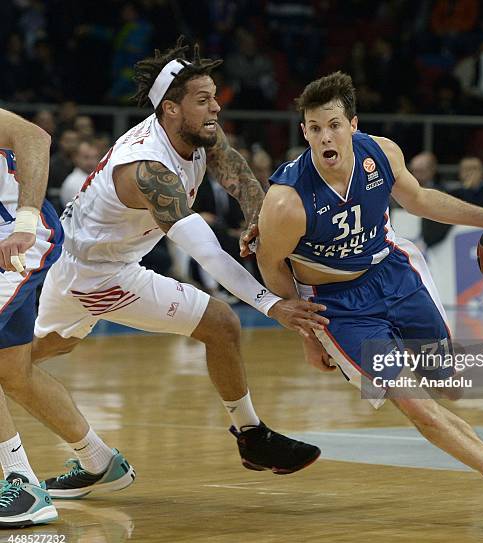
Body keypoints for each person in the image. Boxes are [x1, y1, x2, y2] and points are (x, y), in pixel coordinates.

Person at [20, 38, 327, 501]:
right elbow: (209, 254)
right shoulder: (148, 169)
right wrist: (272, 304)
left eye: (215, 97)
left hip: (111, 262)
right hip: (92, 274)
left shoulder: (199, 130)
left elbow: (235, 170)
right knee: (221, 322)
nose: (215, 109)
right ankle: (242, 436)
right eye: (203, 101)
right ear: (169, 109)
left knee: (35, 355)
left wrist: (258, 214)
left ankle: (112, 458)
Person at [256, 72, 483, 534]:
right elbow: (271, 263)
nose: (324, 137)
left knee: (447, 382)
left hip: (396, 276)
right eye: (314, 128)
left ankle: (473, 416)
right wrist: (306, 333)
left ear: (353, 124)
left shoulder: (383, 152)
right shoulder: (286, 202)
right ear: (304, 132)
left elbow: (419, 199)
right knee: (416, 405)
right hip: (340, 306)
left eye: (333, 125)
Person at [0, 108, 63, 527]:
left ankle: (22, 484)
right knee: (14, 370)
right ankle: (98, 459)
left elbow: (35, 139)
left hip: (18, 236)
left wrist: (23, 221)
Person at [60, 140, 99, 207]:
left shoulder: (97, 177)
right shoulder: (73, 182)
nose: (92, 162)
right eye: (86, 157)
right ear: (75, 158)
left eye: (95, 157)